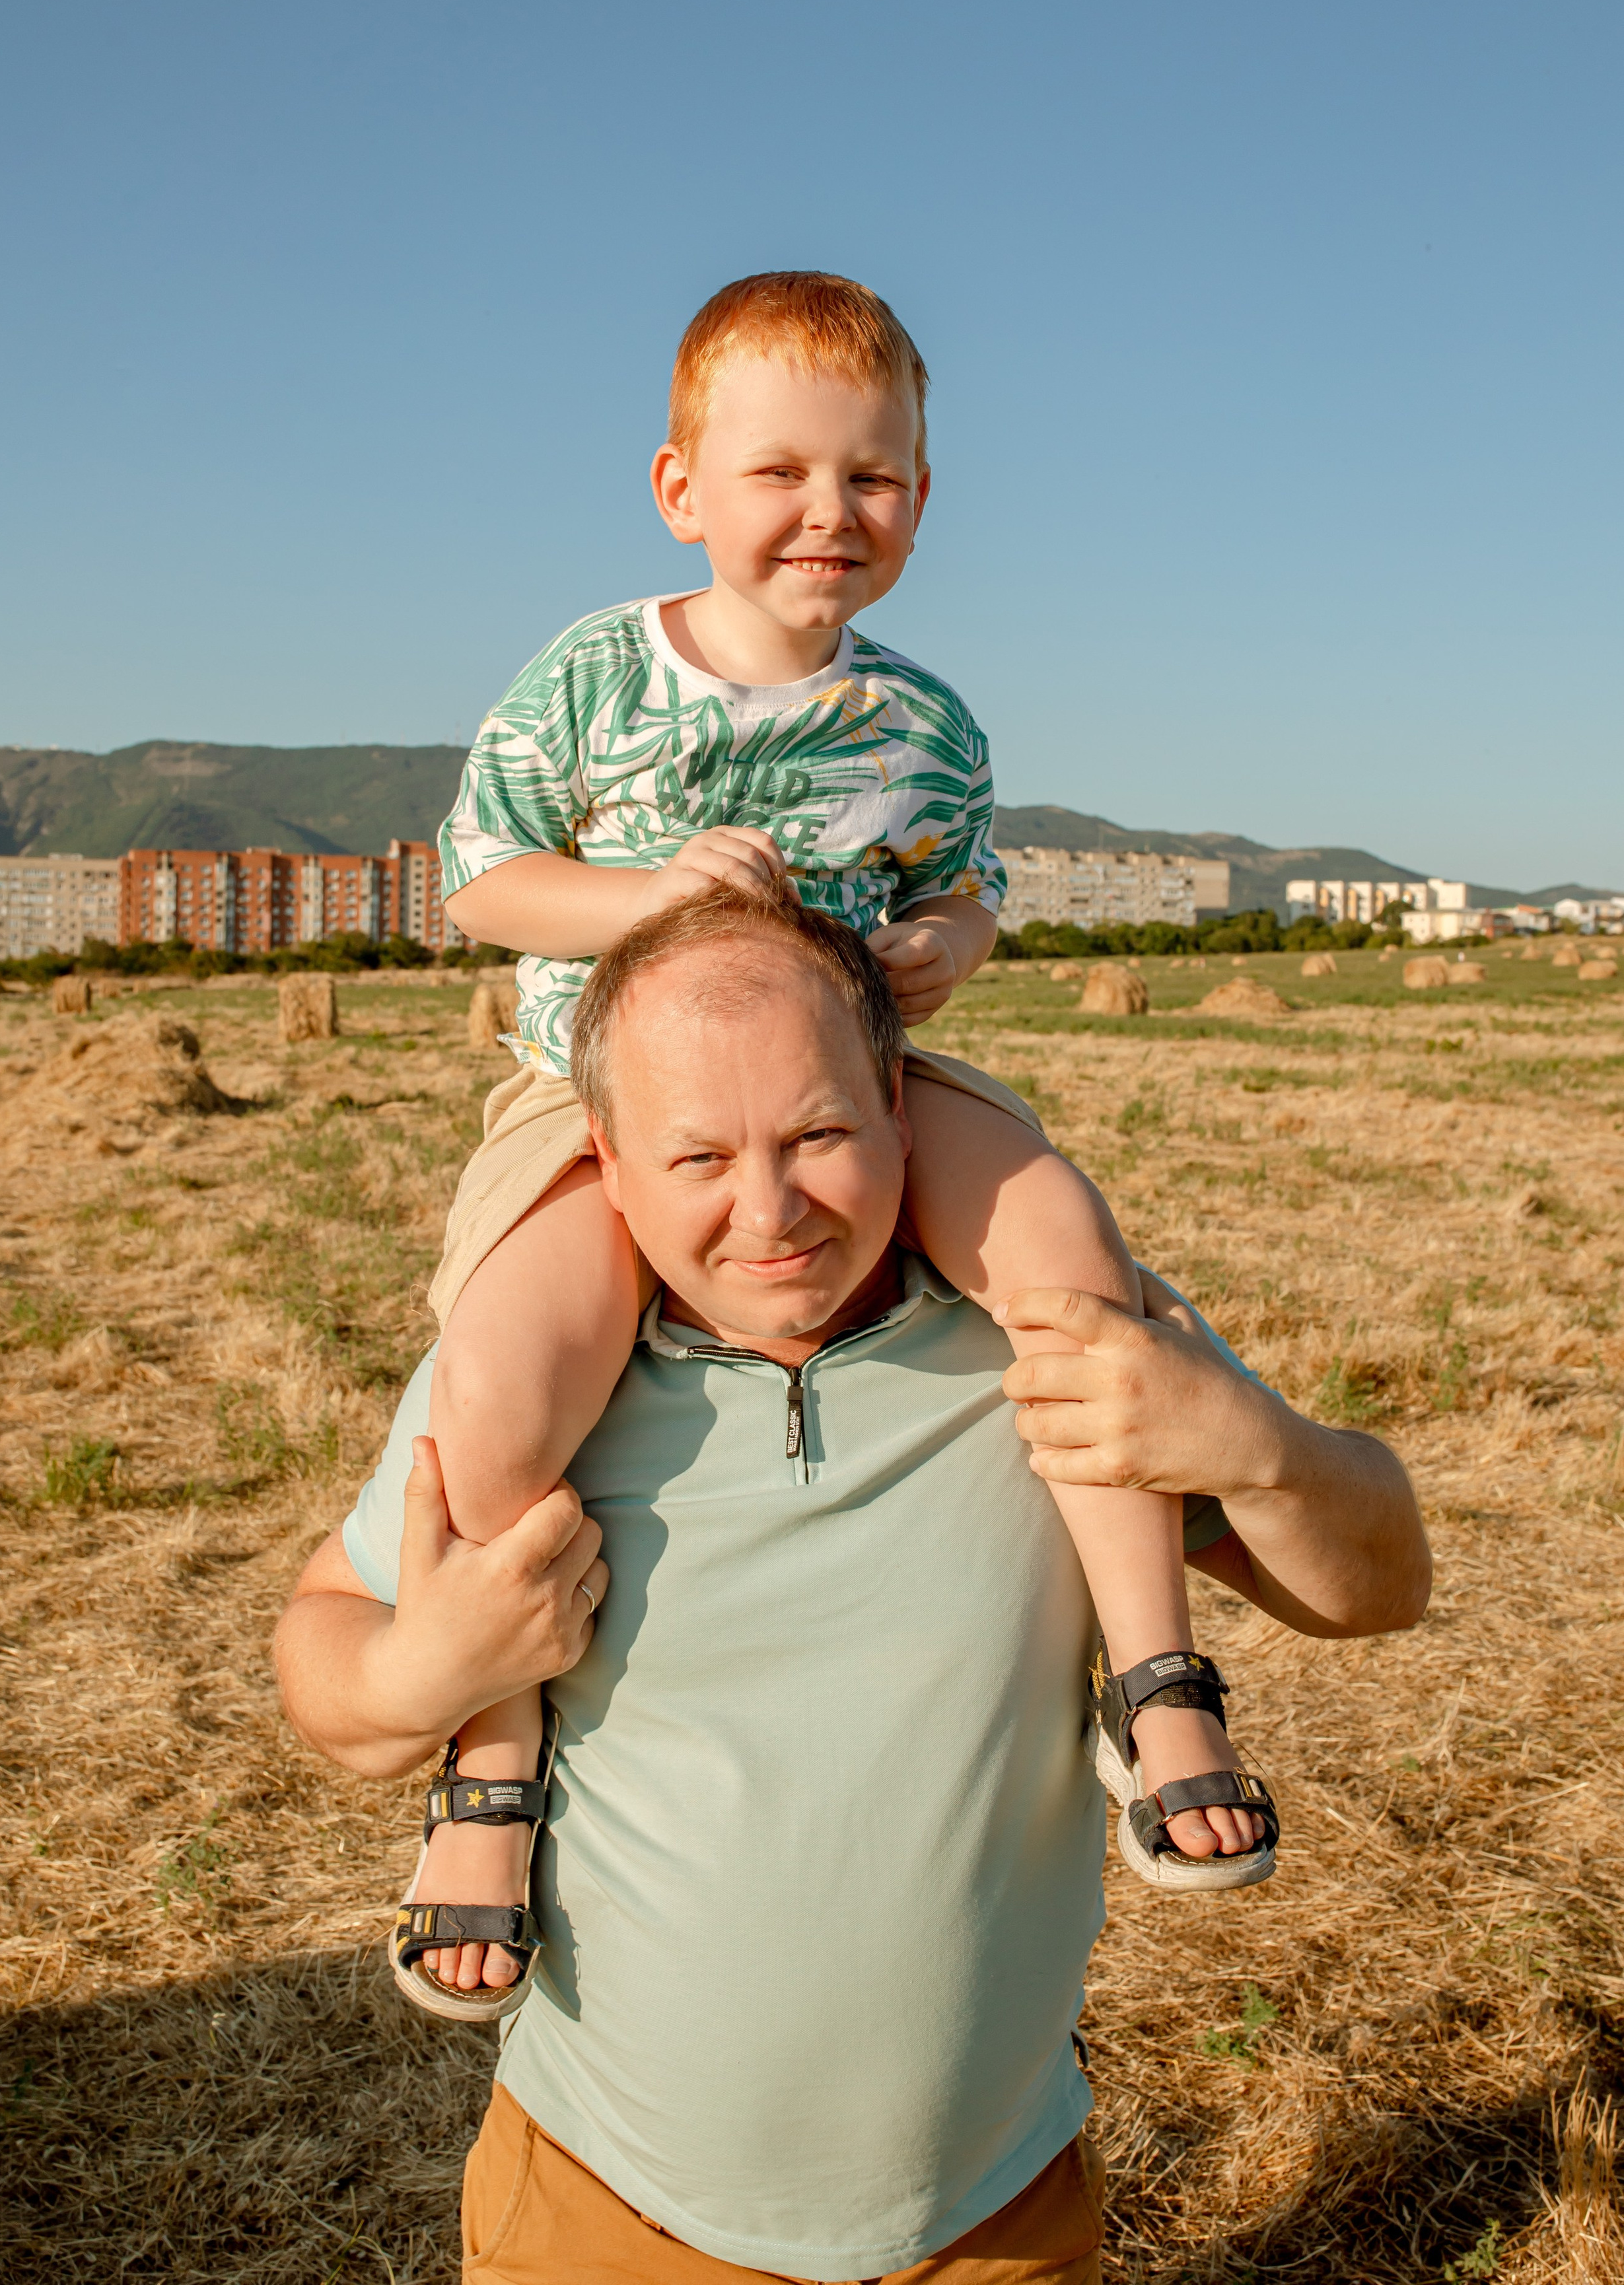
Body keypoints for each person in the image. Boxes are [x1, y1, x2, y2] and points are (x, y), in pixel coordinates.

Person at [275, 886, 1431, 2284]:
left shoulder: (1047, 1333)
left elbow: (1376, 1588)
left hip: (993, 2221)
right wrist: (427, 1670)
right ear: (606, 1159)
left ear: (897, 1103)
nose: (768, 1212)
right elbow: (327, 1652)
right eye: (696, 1155)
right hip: (605, 2215)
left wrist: (1255, 1446)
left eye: (817, 1134)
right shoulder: (525, 1385)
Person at [406, 271, 1269, 2012]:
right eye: (780, 473)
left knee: (1066, 1255)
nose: (827, 513)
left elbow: (969, 897)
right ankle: (491, 1759)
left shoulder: (928, 723)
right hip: (597, 1095)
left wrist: (955, 947)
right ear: (682, 491)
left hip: (857, 1090)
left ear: (923, 503)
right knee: (500, 1379)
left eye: (871, 480)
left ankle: (1156, 1674)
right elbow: (479, 882)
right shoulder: (592, 674)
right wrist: (649, 894)